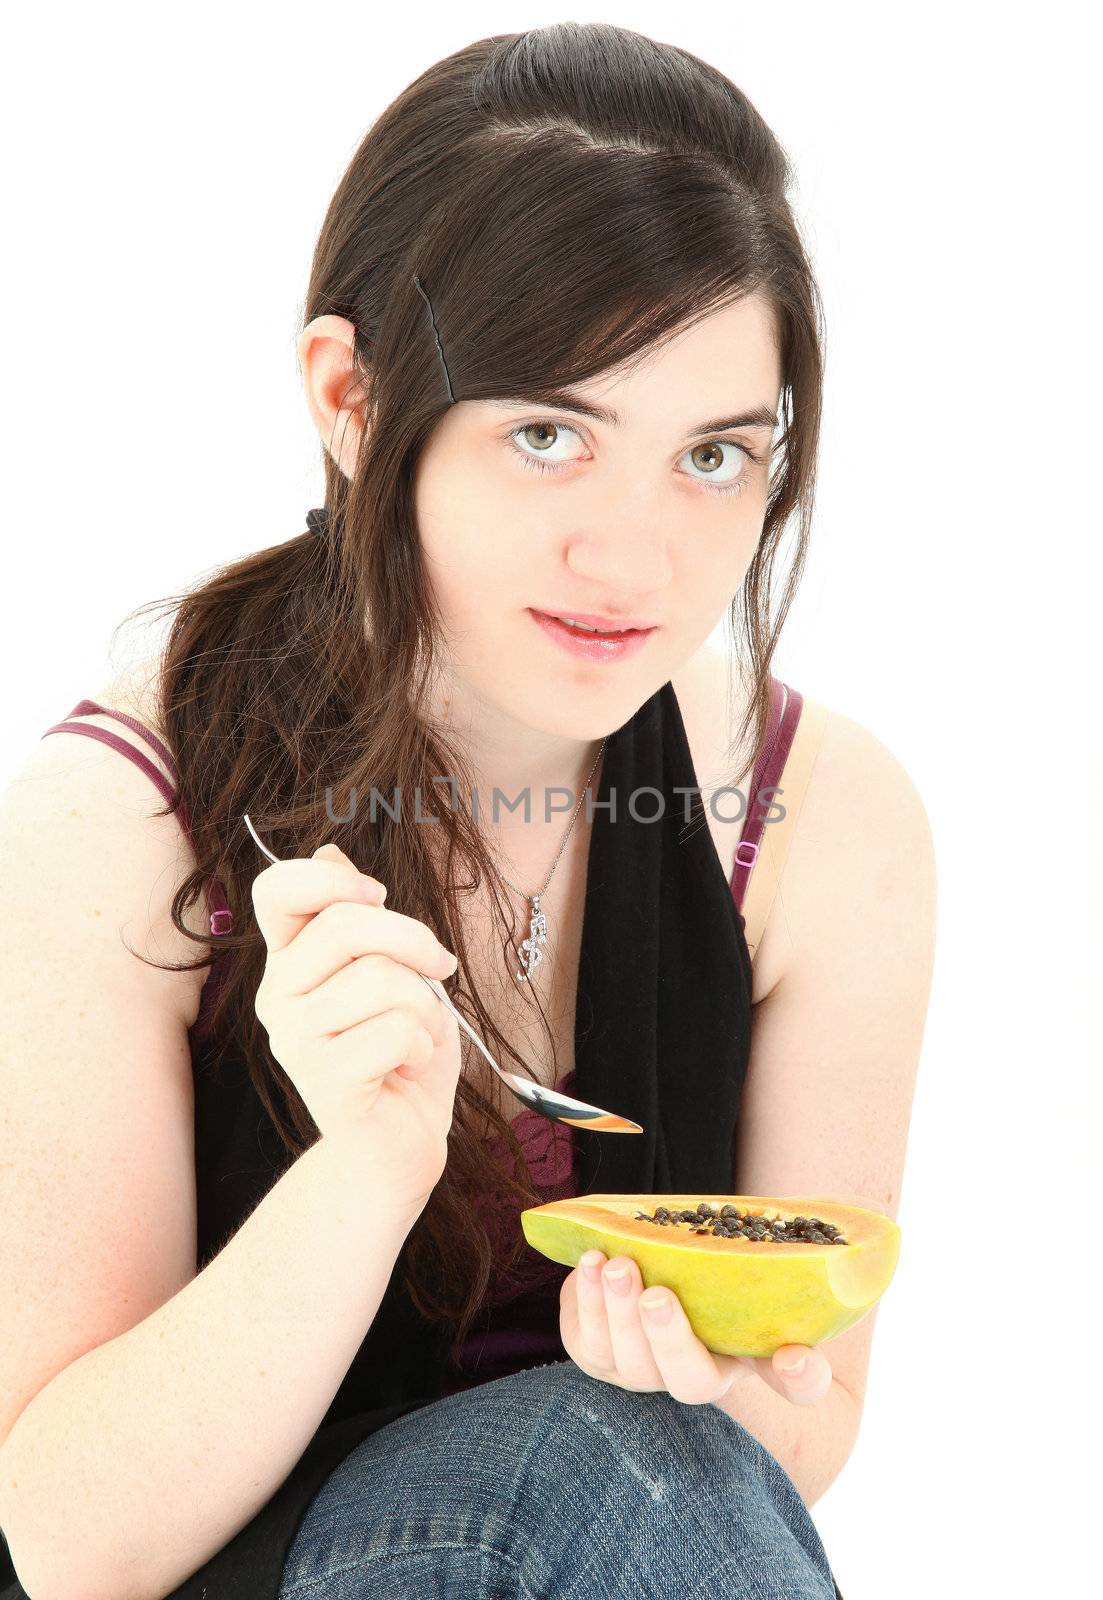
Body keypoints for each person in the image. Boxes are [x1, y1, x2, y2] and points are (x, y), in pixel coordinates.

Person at [0, 21, 935, 1600]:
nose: (636, 560)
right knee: (582, 1455)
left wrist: (722, 1396)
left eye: (714, 456)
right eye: (548, 434)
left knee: (643, 1459)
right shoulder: (120, 827)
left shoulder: (818, 825)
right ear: (353, 400)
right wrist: (365, 1175)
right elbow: (71, 1541)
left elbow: (806, 1434)